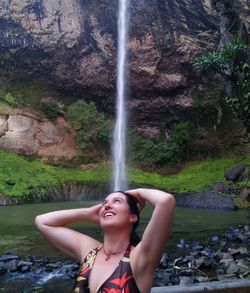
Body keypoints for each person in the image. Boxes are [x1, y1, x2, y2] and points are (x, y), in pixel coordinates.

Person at [35, 188, 175, 293]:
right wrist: (88, 213)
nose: (107, 206)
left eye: (117, 201)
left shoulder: (140, 257)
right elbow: (42, 221)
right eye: (104, 203)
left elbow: (165, 201)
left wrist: (135, 193)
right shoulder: (90, 252)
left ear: (133, 217)